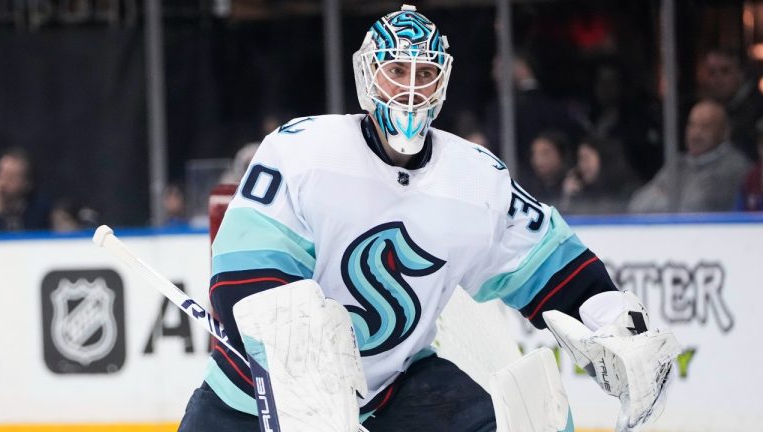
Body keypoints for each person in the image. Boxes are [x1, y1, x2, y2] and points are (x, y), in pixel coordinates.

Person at [179, 6, 678, 432]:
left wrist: (611, 316)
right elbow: (242, 276)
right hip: (251, 397)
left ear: (443, 80)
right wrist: (301, 374)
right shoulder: (303, 153)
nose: (410, 89)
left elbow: (549, 264)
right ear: (367, 75)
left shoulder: (476, 180)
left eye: (425, 74)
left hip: (393, 388)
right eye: (396, 70)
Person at [629, 99, 751, 213]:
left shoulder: (733, 167)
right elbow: (637, 205)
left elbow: (695, 207)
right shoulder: (679, 163)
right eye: (692, 125)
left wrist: (664, 194)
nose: (696, 133)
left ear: (725, 132)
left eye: (706, 126)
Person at [698, 48, 763, 162]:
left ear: (741, 73)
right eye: (712, 73)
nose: (718, 79)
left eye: (725, 71)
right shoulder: (706, 109)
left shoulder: (758, 109)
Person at [560, 135, 640, 215]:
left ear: (604, 158)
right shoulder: (582, 192)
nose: (581, 166)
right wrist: (568, 198)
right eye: (580, 160)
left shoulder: (628, 190)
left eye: (586, 158)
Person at [0, 147, 51, 232]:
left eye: (11, 177)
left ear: (27, 183)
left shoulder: (41, 213)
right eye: (1, 174)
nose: (3, 182)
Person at [520, 130, 571, 207]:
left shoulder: (573, 183)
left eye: (545, 153)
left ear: (561, 154)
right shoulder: (526, 188)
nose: (538, 160)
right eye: (535, 154)